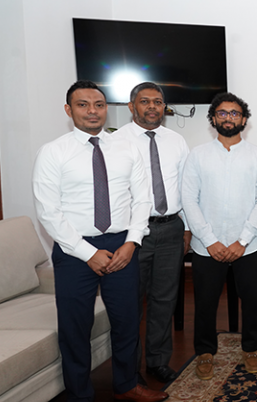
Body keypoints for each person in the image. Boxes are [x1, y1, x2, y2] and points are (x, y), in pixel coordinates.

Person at [33, 80, 167, 402]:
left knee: (126, 321)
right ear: (69, 110)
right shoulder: (53, 152)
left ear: (106, 109)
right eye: (83, 105)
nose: (92, 111)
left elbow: (142, 199)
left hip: (122, 245)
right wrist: (87, 253)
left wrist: (132, 242)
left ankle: (127, 384)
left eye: (99, 105)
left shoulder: (126, 147)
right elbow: (48, 212)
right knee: (75, 327)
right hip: (74, 249)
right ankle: (80, 394)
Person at [181, 92, 257, 379]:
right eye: (222, 113)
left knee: (251, 301)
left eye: (235, 113)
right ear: (213, 119)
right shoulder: (197, 155)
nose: (228, 118)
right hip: (206, 246)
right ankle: (205, 352)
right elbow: (189, 200)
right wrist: (210, 240)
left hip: (248, 245)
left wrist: (242, 240)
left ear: (244, 120)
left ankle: (251, 349)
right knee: (205, 302)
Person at [113, 82, 190, 384]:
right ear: (131, 106)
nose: (152, 107)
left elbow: (185, 187)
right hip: (134, 234)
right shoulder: (116, 142)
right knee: (130, 302)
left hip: (171, 228)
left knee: (164, 299)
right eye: (145, 101)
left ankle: (157, 361)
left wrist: (187, 228)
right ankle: (129, 370)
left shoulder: (176, 141)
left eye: (157, 102)